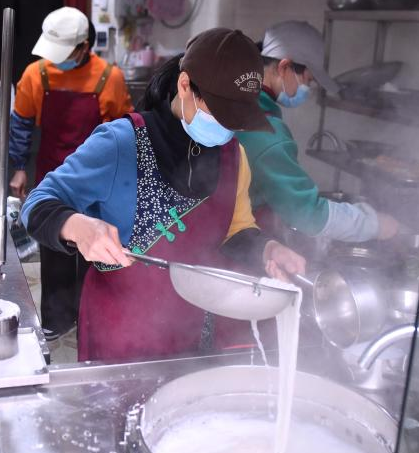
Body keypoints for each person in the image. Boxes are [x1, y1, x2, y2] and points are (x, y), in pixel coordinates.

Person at [22, 28, 307, 362]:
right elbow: (37, 203)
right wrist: (78, 226)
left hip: (194, 329)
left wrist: (267, 249)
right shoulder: (121, 143)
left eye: (236, 120)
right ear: (185, 85)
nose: (227, 130)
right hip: (120, 333)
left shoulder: (234, 155)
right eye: (219, 113)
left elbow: (237, 228)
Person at [8, 6, 132, 341]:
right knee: (55, 254)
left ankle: (93, 323)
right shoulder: (36, 75)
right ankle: (56, 323)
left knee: (98, 256)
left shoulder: (110, 78)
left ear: (83, 47)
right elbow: (19, 125)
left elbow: (125, 135)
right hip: (53, 180)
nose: (55, 61)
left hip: (98, 185)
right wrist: (19, 168)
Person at [238, 20, 398, 243]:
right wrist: (373, 224)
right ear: (284, 67)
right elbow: (306, 213)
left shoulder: (234, 100)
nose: (307, 90)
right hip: (221, 243)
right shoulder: (265, 131)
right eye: (308, 81)